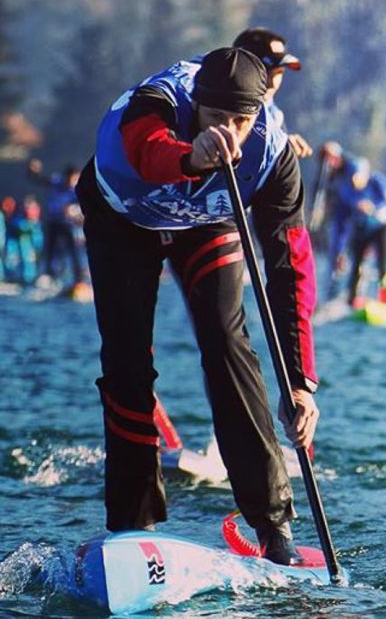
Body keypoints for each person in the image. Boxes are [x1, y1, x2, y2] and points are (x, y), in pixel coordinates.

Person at [75, 47, 320, 564]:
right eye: (216, 118)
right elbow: (147, 150)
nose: (229, 131)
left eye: (241, 119)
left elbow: (288, 267)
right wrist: (193, 154)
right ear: (196, 108)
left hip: (206, 223)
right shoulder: (157, 102)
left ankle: (274, 528)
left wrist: (300, 382)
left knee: (228, 342)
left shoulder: (273, 152)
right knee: (126, 364)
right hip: (124, 220)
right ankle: (131, 528)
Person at [231, 28, 312, 160]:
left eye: (279, 73)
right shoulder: (216, 108)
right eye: (266, 72)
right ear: (243, 67)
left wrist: (280, 149)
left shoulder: (275, 115)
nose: (273, 84)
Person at [338, 157, 386, 307]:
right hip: (361, 229)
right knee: (357, 264)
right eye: (352, 177)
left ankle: (385, 299)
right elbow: (341, 222)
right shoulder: (345, 190)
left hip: (381, 227)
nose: (355, 181)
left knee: (383, 265)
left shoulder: (377, 180)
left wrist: (372, 206)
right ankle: (353, 300)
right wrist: (340, 250)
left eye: (358, 176)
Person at [28, 160, 88, 289]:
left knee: (73, 251)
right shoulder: (56, 182)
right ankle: (50, 276)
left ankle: (79, 280)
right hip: (53, 222)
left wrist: (76, 213)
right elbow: (40, 180)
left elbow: (83, 205)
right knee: (50, 250)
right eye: (73, 177)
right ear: (68, 176)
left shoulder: (76, 189)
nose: (74, 180)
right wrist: (33, 173)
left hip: (67, 224)